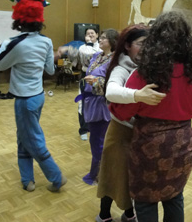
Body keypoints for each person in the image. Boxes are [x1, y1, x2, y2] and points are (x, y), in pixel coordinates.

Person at [110, 11, 192, 222]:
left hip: (150, 145)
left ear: (155, 39)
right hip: (182, 143)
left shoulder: (144, 73)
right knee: (174, 196)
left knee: (146, 201)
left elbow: (121, 111)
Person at [0, 0, 67, 192]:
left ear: (18, 19)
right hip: (38, 96)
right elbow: (51, 71)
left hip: (24, 100)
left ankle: (56, 176)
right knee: (24, 136)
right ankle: (27, 179)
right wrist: (55, 55)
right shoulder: (46, 41)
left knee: (31, 138)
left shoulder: (13, 43)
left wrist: (4, 45)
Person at [96, 25, 166, 222]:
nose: (146, 49)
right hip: (120, 132)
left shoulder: (146, 68)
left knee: (130, 178)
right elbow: (111, 92)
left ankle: (128, 213)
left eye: (149, 44)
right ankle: (104, 215)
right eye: (141, 44)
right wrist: (137, 95)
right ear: (127, 45)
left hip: (139, 134)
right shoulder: (121, 67)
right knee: (112, 174)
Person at [76, 28, 119, 186]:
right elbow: (82, 55)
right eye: (99, 38)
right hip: (90, 103)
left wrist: (95, 82)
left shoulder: (115, 61)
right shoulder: (97, 55)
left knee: (98, 141)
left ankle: (100, 175)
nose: (100, 40)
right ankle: (98, 172)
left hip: (101, 105)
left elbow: (112, 84)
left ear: (113, 42)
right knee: (96, 140)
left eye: (103, 38)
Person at [57, 28, 101, 141]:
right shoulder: (82, 47)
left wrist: (89, 44)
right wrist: (68, 50)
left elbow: (93, 55)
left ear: (97, 35)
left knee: (98, 103)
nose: (90, 35)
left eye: (92, 33)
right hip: (85, 76)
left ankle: (95, 127)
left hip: (99, 77)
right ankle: (83, 129)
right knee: (83, 103)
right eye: (87, 33)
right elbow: (77, 58)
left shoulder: (101, 47)